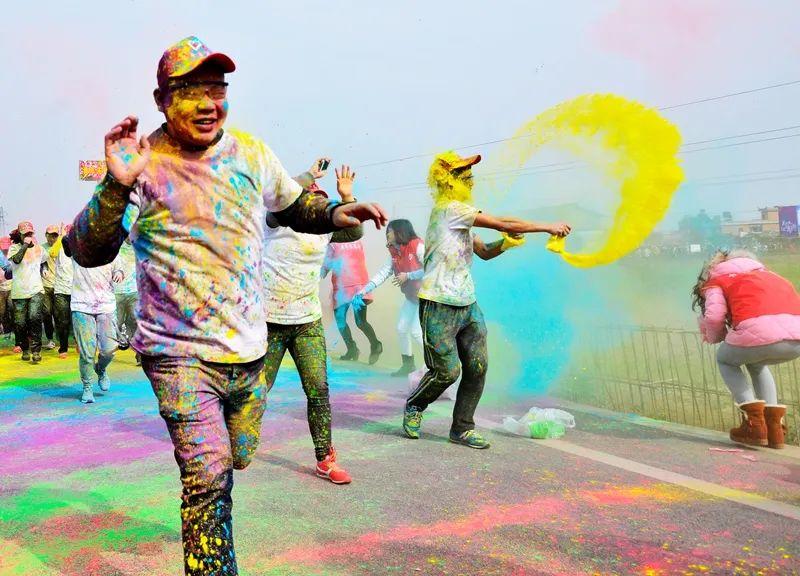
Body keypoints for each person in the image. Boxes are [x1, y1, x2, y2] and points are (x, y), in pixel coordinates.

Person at [66, 36, 386, 576]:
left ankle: (234, 438)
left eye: (216, 89)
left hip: (248, 351)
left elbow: (293, 204)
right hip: (176, 354)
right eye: (190, 90)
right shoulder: (144, 164)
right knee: (210, 474)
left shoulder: (252, 154)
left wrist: (334, 212)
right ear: (162, 99)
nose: (208, 102)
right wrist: (116, 186)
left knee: (236, 452)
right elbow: (87, 248)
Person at [403, 151, 571, 448]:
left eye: (469, 171)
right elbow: (501, 222)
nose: (469, 176)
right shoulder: (449, 209)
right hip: (438, 303)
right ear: (447, 179)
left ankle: (462, 427)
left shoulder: (462, 216)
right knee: (446, 371)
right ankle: (416, 405)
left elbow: (483, 250)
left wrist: (506, 244)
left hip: (467, 304)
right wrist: (546, 226)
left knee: (477, 367)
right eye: (462, 171)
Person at [263, 161, 362, 485]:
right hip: (269, 321)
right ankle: (230, 442)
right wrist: (306, 176)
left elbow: (356, 228)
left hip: (306, 322)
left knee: (318, 389)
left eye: (320, 202)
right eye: (309, 200)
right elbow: (278, 197)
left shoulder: (326, 229)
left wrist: (346, 196)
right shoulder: (276, 222)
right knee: (255, 392)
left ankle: (325, 458)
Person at [693, 249, 800, 449]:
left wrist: (716, 338)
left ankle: (754, 424)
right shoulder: (770, 274)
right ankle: (775, 430)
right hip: (796, 338)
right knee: (757, 364)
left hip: (757, 332)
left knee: (725, 360)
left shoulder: (718, 277)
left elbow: (715, 315)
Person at [354, 219, 425, 376]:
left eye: (390, 230)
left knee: (415, 332)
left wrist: (409, 275)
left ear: (401, 231)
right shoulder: (394, 251)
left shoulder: (417, 245)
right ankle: (408, 365)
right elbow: (383, 273)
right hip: (412, 298)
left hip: (426, 297)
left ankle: (437, 367)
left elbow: (432, 267)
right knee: (401, 329)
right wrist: (363, 291)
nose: (387, 233)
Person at [63, 239, 117, 403]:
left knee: (109, 350)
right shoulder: (77, 250)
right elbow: (67, 243)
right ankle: (87, 387)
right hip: (82, 306)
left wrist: (119, 273)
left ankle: (100, 369)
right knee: (87, 353)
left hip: (106, 306)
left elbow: (119, 267)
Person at [322, 237, 383, 364]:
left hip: (343, 287)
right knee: (361, 321)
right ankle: (375, 344)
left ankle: (352, 349)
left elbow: (325, 267)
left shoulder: (333, 245)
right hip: (360, 285)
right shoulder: (357, 243)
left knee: (340, 321)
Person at [7, 221, 50, 363]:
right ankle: (25, 348)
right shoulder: (14, 248)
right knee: (20, 323)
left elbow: (44, 259)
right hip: (19, 292)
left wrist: (44, 269)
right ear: (19, 235)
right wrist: (25, 245)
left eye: (30, 233)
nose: (28, 236)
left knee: (34, 318)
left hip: (36, 289)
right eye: (25, 234)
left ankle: (36, 350)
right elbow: (17, 261)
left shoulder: (39, 249)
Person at [112, 236, 140, 365]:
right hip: (117, 292)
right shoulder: (116, 246)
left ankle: (139, 354)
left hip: (134, 291)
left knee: (135, 321)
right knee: (117, 322)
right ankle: (112, 349)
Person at [51, 224, 74, 358]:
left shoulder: (79, 247)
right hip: (60, 290)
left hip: (77, 290)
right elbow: (52, 253)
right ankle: (63, 348)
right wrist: (60, 237)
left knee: (77, 320)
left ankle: (79, 344)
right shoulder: (59, 246)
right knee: (62, 321)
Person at [40, 224, 60, 350]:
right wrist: (43, 268)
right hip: (46, 285)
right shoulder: (41, 248)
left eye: (55, 236)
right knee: (47, 313)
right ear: (46, 235)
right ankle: (50, 339)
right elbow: (39, 263)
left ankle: (61, 340)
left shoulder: (62, 247)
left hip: (60, 286)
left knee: (59, 314)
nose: (52, 238)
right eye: (50, 235)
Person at [0, 237, 12, 338]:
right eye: (3, 247)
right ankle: (7, 332)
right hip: (1, 289)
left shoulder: (13, 254)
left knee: (13, 309)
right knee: (2, 312)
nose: (5, 249)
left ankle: (16, 332)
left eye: (6, 247)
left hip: (12, 287)